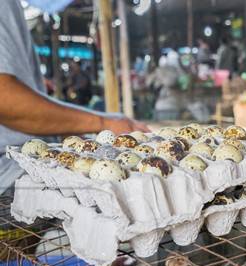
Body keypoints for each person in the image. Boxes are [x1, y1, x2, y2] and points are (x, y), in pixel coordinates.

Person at [0, 0, 148, 194]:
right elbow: (6, 99)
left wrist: (69, 130)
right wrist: (103, 122)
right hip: (13, 174)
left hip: (28, 164)